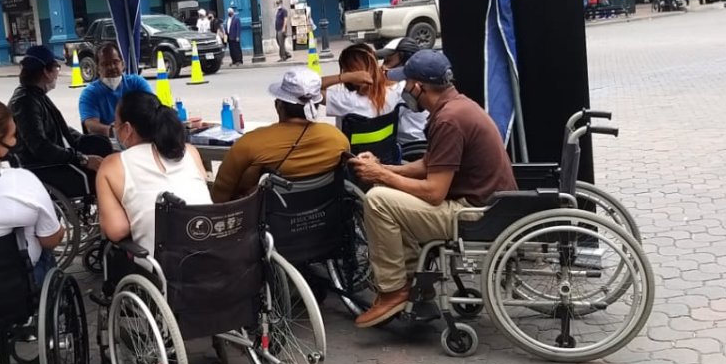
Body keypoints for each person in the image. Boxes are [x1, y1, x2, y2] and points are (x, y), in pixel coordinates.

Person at [349, 50, 517, 328]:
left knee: (378, 200)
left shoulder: (448, 120)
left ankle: (393, 290)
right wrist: (383, 169)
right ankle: (416, 284)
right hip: (485, 204)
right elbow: (430, 164)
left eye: (407, 84)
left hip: (476, 214)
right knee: (388, 191)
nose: (404, 90)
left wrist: (380, 176)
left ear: (418, 87)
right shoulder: (457, 106)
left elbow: (433, 192)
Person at [0, 98, 64, 285]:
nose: (16, 141)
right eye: (13, 136)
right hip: (15, 288)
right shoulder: (22, 182)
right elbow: (51, 239)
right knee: (45, 248)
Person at [211, 69, 349, 203]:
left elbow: (220, 196)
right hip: (323, 216)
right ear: (317, 106)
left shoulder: (250, 143)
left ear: (279, 105)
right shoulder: (337, 138)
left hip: (269, 222)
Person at [97, 91, 211, 252]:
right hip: (213, 257)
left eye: (116, 123)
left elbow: (117, 231)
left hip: (165, 269)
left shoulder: (112, 165)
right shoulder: (189, 152)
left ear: (127, 129)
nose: (115, 128)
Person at [10, 45, 105, 175]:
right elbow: (40, 147)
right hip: (44, 167)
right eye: (56, 68)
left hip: (53, 159)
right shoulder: (25, 102)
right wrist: (83, 159)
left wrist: (84, 140)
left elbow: (59, 128)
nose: (57, 73)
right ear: (46, 72)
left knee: (101, 144)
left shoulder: (35, 95)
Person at [78, 43, 153, 138]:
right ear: (97, 68)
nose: (111, 67)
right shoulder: (90, 93)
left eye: (115, 62)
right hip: (109, 143)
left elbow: (153, 109)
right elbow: (90, 125)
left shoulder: (137, 83)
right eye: (105, 64)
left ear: (123, 64)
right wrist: (114, 132)